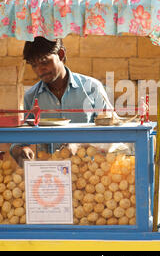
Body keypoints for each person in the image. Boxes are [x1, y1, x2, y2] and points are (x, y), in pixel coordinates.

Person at [10, 36, 113, 165]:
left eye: (44, 62)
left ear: (61, 54)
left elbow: (111, 134)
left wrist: (80, 145)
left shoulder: (92, 88)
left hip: (88, 174)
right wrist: (20, 149)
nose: (39, 70)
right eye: (34, 65)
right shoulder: (31, 97)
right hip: (49, 175)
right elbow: (22, 138)